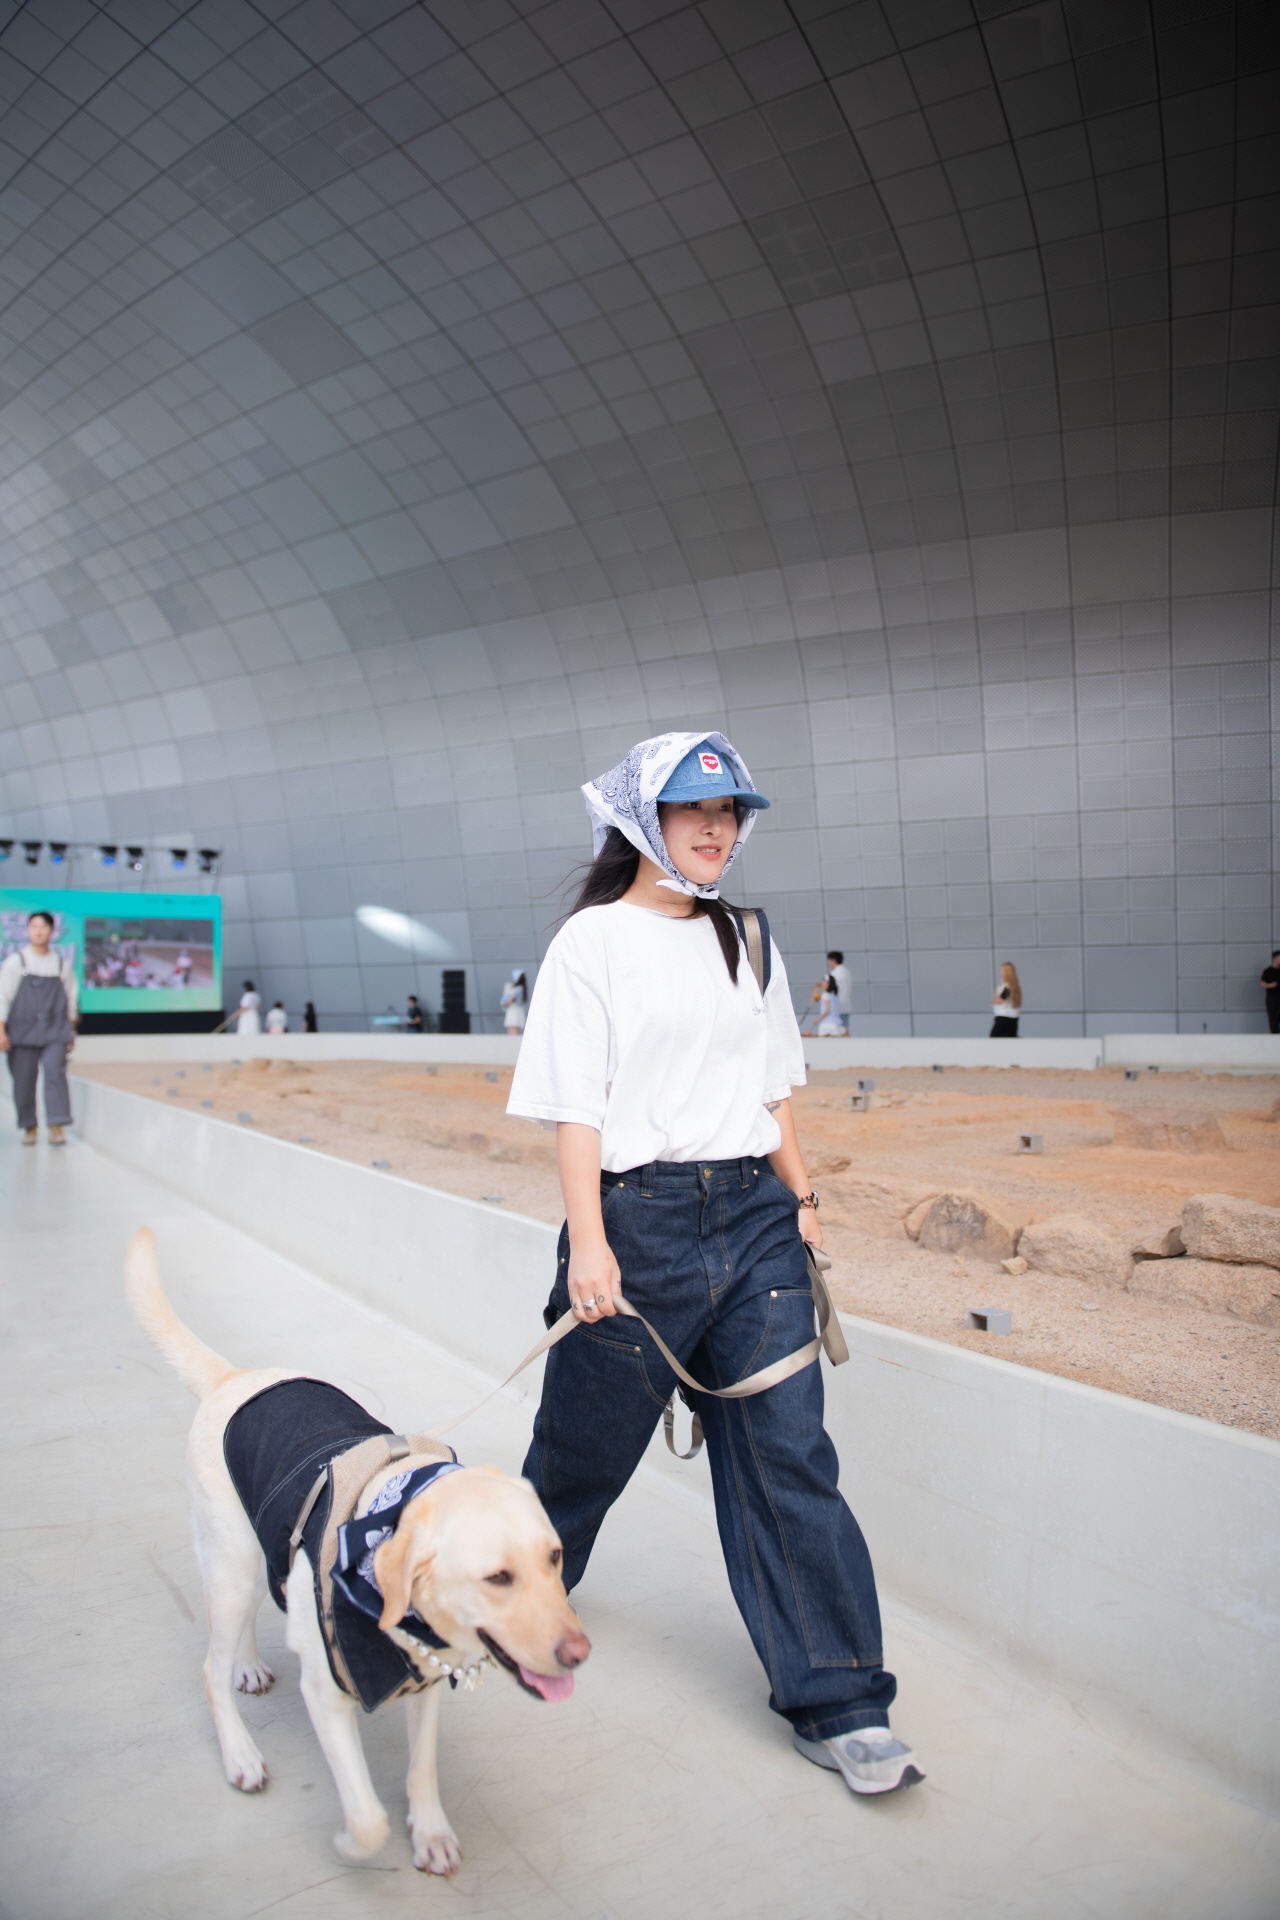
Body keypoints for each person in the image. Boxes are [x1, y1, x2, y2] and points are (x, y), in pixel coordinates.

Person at [507, 730, 921, 1799]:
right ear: (641, 822)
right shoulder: (591, 943)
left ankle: (841, 1701)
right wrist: (589, 1241)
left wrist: (803, 1200)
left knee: (790, 1455)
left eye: (729, 811)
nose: (715, 829)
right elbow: (575, 1108)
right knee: (581, 1453)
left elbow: (773, 1088)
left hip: (755, 1223)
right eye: (694, 810)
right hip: (635, 1223)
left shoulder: (748, 938)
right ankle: (511, 1608)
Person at [0, 909, 78, 1145]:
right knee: (23, 1080)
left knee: (55, 1074)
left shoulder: (61, 964)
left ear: (52, 931)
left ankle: (56, 1126)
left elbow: (72, 998)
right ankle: (29, 1127)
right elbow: (2, 997)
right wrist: (1, 1030)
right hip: (21, 1031)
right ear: (27, 930)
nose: (38, 931)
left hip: (55, 1030)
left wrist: (71, 1030)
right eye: (33, 926)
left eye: (43, 926)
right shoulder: (16, 962)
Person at [990, 961, 1021, 1037]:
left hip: (1004, 1016)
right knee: (1010, 1038)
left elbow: (1001, 1000)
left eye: (1002, 971)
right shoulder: (1013, 986)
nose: (1000, 973)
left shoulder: (1006, 986)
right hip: (1013, 1016)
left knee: (995, 1037)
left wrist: (994, 999)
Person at [827, 950, 853, 1019]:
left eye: (829, 961)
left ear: (833, 961)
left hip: (836, 1007)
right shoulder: (846, 971)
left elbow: (829, 989)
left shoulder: (835, 973)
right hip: (846, 1006)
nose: (828, 963)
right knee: (844, 1025)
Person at [500, 969, 528, 1034]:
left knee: (513, 1028)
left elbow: (510, 999)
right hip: (518, 1009)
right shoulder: (522, 987)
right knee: (515, 1028)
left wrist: (503, 1003)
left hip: (514, 1010)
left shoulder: (517, 989)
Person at [1261, 952, 1280, 1035]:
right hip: (1273, 997)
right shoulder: (1268, 971)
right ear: (1275, 958)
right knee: (1273, 1017)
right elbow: (1262, 984)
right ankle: (1275, 1035)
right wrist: (1270, 985)